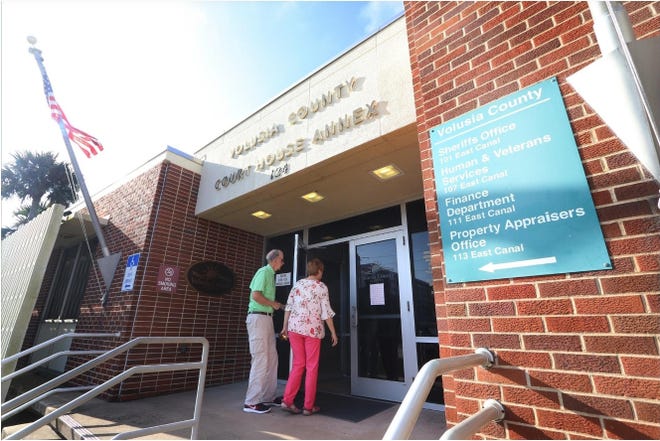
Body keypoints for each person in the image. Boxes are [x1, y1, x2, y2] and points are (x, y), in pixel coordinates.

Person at [279, 258, 338, 416]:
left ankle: (287, 400)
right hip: (312, 330)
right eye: (322, 271)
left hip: (294, 328)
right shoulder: (321, 287)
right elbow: (326, 313)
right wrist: (333, 332)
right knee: (311, 367)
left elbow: (289, 307)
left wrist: (285, 326)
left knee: (298, 365)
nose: (322, 274)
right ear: (319, 271)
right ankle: (308, 406)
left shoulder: (297, 284)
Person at [243, 249, 285, 414]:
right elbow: (255, 295)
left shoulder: (270, 275)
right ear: (275, 260)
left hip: (266, 318)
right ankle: (251, 402)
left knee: (271, 359)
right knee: (261, 359)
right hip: (258, 318)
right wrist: (272, 303)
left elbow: (266, 299)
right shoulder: (263, 272)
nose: (283, 263)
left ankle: (268, 397)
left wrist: (279, 306)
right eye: (282, 260)